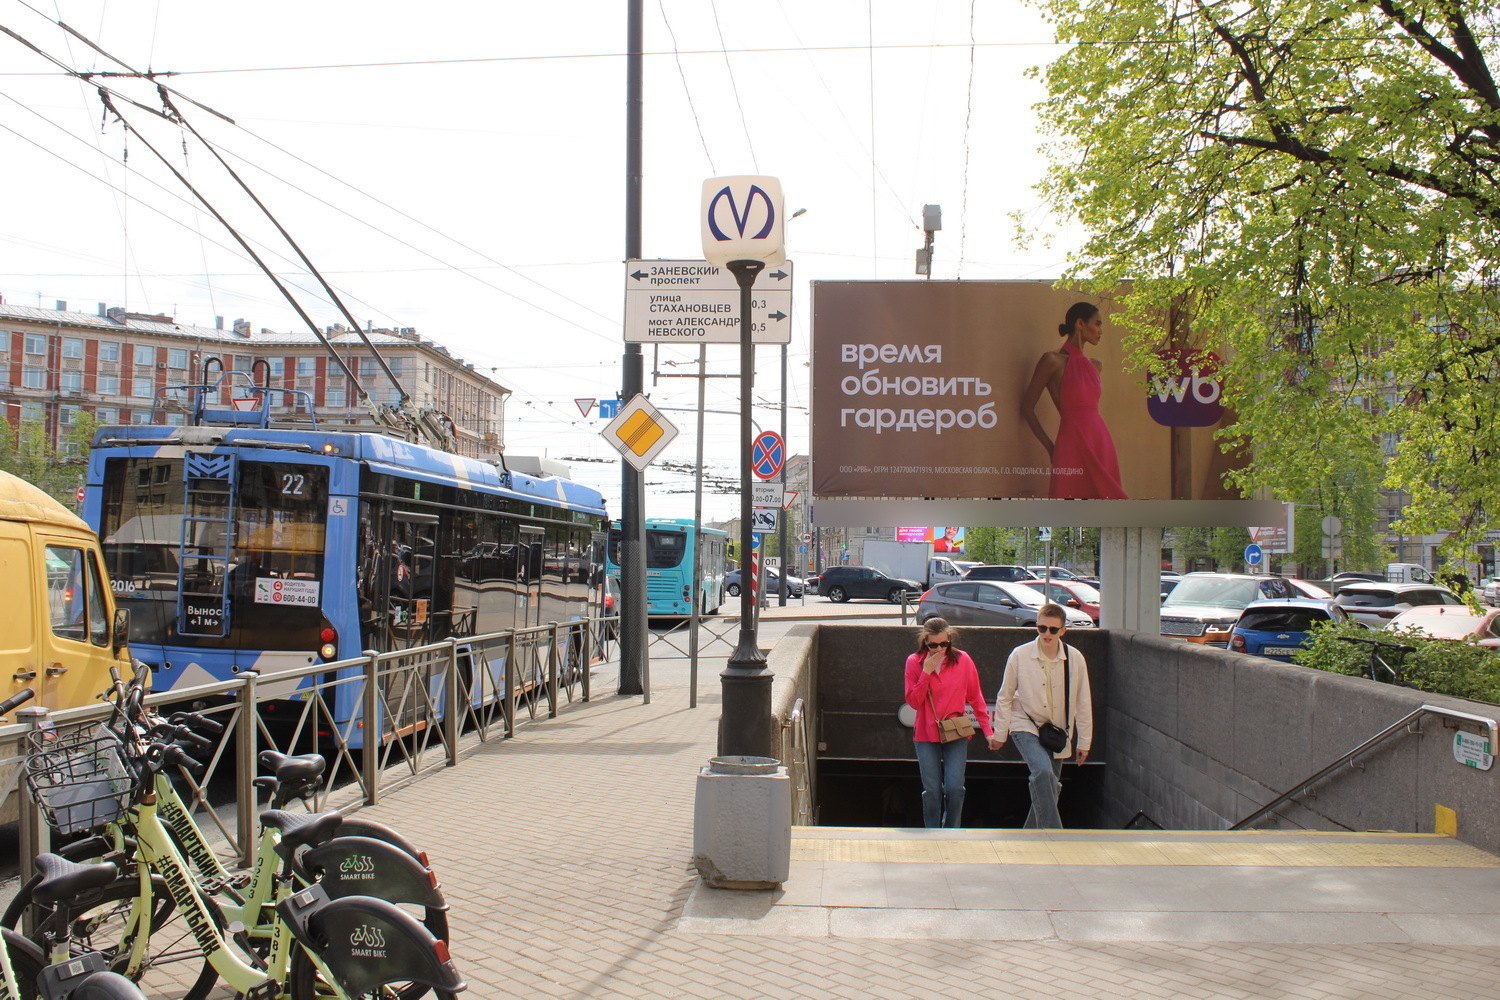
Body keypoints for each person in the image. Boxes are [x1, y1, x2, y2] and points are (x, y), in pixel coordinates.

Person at [991, 603, 1093, 828]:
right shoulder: (1020, 654)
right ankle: (1055, 833)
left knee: (1051, 786)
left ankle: (1030, 837)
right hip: (1024, 723)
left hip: (1058, 730)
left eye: (1053, 630)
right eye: (1042, 628)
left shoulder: (1074, 658)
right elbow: (1005, 695)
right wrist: (1000, 733)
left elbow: (1083, 701)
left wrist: (1084, 741)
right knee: (1043, 771)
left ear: (1063, 630)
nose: (1047, 634)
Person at [1020, 301, 1128, 499]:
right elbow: (1027, 407)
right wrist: (1050, 448)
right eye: (1097, 323)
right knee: (1067, 503)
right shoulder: (1051, 360)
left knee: (1109, 500)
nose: (1101, 330)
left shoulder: (1096, 366)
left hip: (1100, 440)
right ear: (1080, 323)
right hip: (1070, 441)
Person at [903, 618, 995, 828]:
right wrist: (925, 673)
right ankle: (932, 832)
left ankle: (951, 830)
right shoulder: (914, 662)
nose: (939, 649)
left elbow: (976, 697)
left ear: (950, 640)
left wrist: (988, 730)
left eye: (944, 644)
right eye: (933, 645)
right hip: (926, 734)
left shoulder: (963, 660)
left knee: (955, 788)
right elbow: (914, 702)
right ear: (925, 642)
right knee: (932, 791)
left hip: (956, 731)